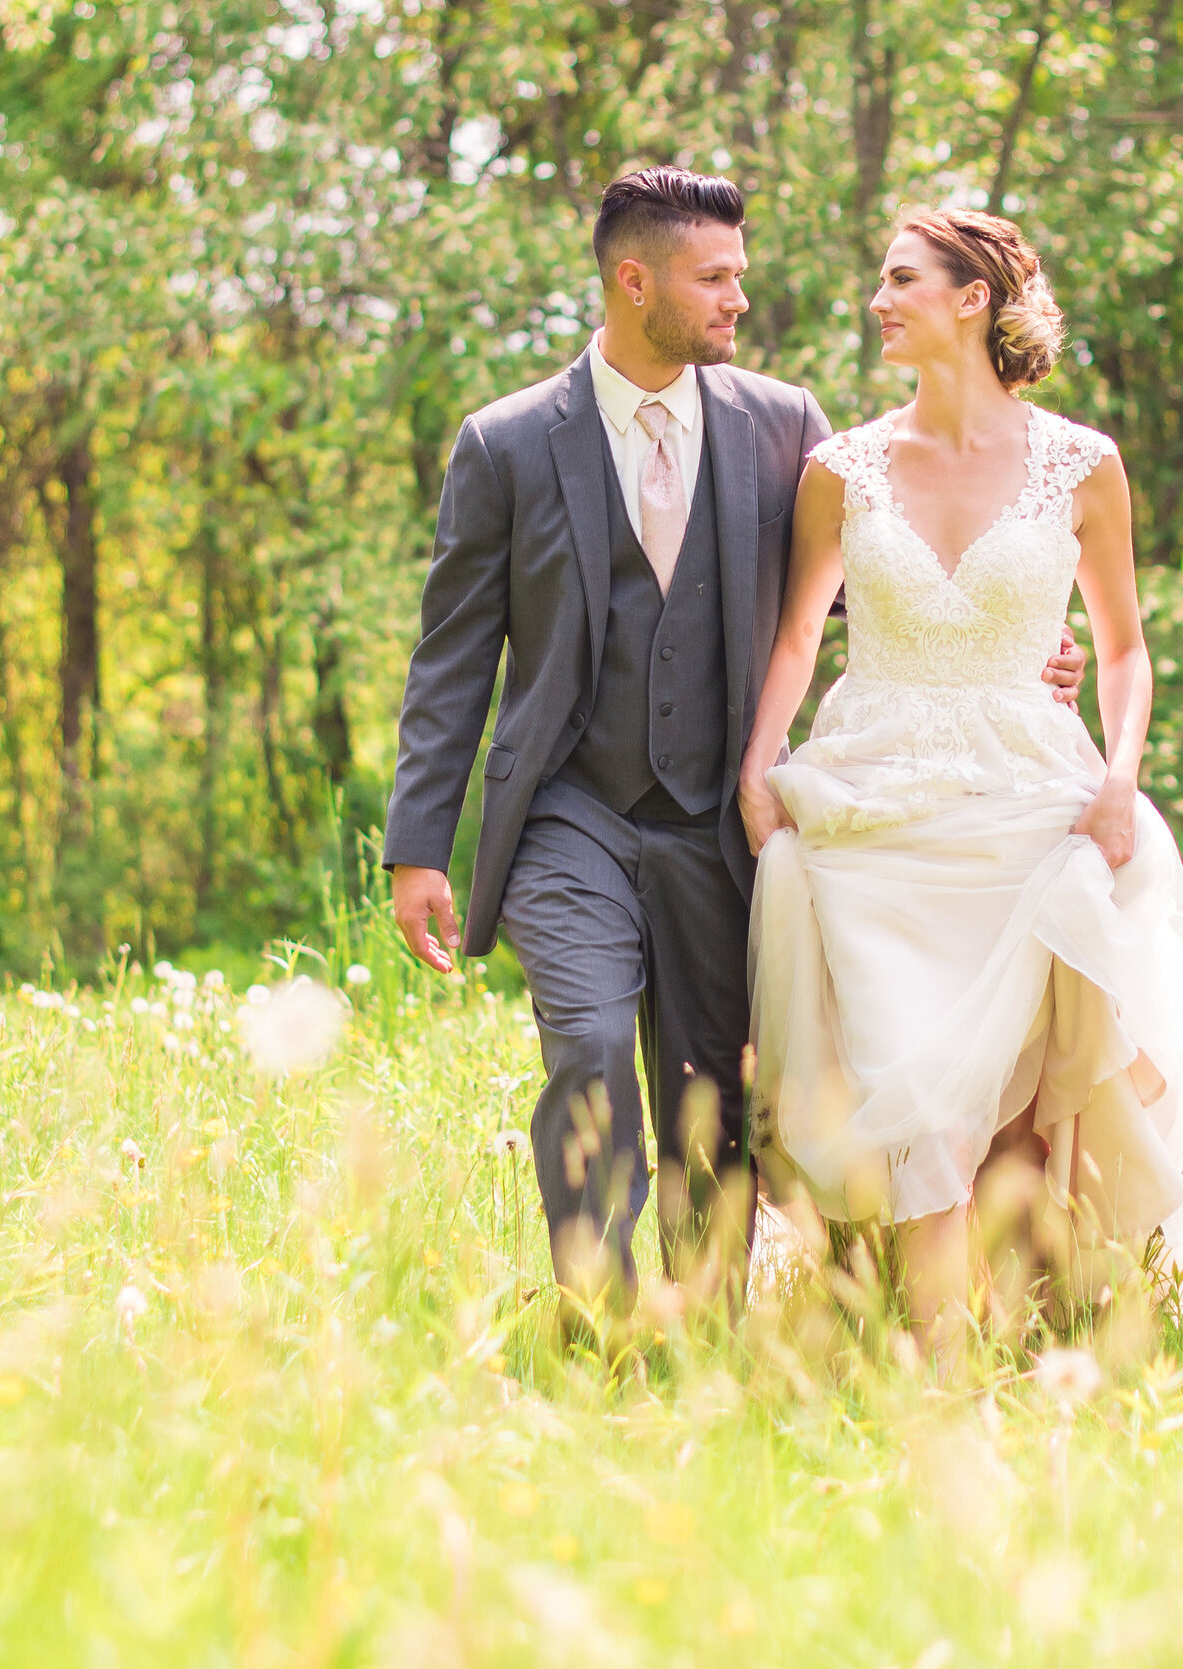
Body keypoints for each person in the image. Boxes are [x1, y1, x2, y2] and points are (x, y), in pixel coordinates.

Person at [383, 168, 1087, 1307]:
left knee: (708, 1094)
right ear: (633, 281)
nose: (737, 300)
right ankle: (598, 1319)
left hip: (721, 822)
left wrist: (1034, 649)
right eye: (714, 279)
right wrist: (419, 846)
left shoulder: (784, 424)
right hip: (569, 813)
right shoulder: (505, 444)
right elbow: (455, 656)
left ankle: (702, 1318)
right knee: (592, 1050)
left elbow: (874, 588)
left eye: (738, 277)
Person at [740, 208, 1183, 1357]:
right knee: (912, 1082)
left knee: (1026, 1086)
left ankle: (1024, 1329)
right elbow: (796, 637)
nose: (877, 301)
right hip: (872, 800)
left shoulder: (1083, 464)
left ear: (972, 298)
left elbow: (1123, 649)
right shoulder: (840, 469)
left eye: (900, 280)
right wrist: (760, 761)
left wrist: (1119, 780)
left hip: (1028, 796)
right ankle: (931, 1372)